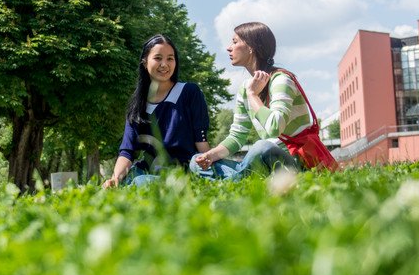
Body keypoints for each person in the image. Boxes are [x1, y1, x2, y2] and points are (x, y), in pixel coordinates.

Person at [191, 22, 337, 180]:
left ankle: (237, 179)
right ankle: (241, 178)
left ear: (251, 47)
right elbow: (237, 136)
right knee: (195, 161)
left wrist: (253, 95)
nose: (228, 48)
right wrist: (211, 155)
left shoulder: (281, 80)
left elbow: (275, 127)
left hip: (294, 162)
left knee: (263, 147)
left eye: (234, 42)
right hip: (266, 164)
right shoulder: (245, 88)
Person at [104, 35, 211, 188]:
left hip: (183, 171)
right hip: (148, 171)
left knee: (141, 183)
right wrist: (115, 179)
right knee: (136, 181)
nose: (164, 64)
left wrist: (209, 167)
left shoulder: (189, 92)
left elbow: (201, 140)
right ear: (144, 62)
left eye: (170, 59)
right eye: (158, 58)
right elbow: (127, 152)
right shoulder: (137, 105)